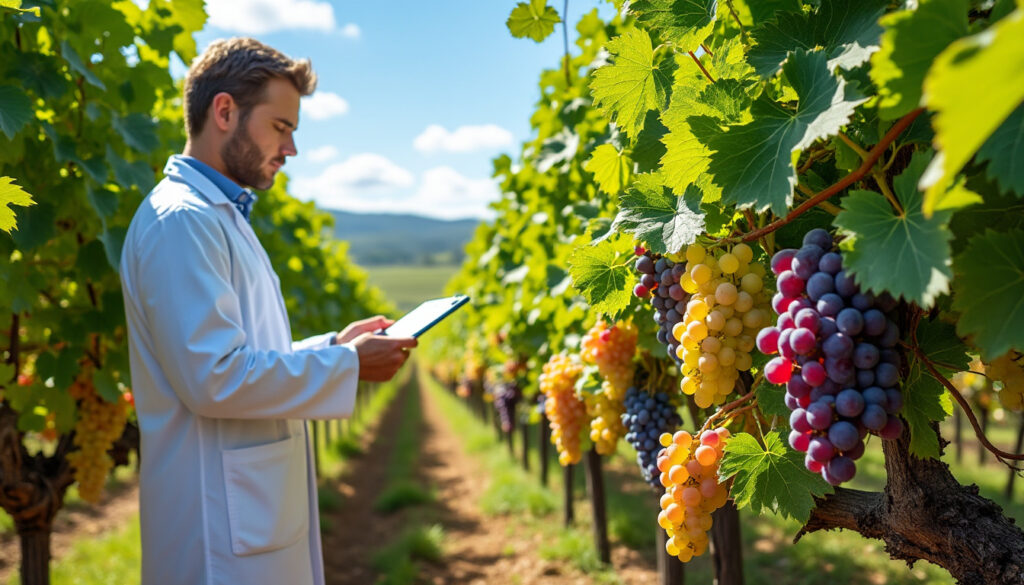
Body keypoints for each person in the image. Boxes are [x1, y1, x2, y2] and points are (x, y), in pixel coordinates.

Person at [119, 37, 417, 585]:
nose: (291, 150)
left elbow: (243, 356)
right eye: (282, 127)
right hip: (217, 535)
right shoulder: (182, 221)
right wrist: (350, 366)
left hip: (245, 516)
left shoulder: (218, 215)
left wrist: (333, 349)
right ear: (225, 111)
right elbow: (214, 379)